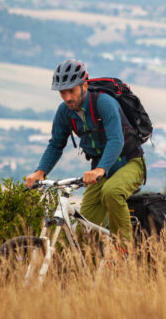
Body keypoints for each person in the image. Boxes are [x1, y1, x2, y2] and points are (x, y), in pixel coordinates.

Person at [25, 59, 145, 246]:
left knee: (112, 192)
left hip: (129, 163)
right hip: (99, 169)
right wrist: (40, 171)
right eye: (62, 92)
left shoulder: (104, 103)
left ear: (84, 86)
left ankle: (124, 251)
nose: (67, 97)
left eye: (71, 90)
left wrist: (100, 169)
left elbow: (116, 140)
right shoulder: (64, 112)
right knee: (85, 224)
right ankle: (87, 264)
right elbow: (56, 144)